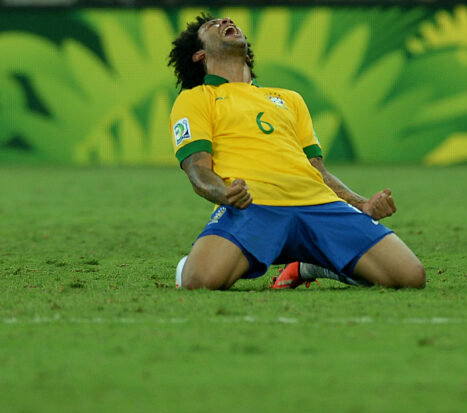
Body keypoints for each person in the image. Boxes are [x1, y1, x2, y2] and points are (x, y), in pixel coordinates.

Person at [168, 13, 425, 290]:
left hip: (317, 204)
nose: (225, 21)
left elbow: (318, 170)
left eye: (225, 20)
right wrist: (224, 194)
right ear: (198, 55)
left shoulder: (290, 99)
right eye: (212, 25)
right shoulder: (195, 99)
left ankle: (310, 266)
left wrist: (362, 204)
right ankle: (195, 260)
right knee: (199, 281)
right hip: (252, 205)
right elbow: (198, 169)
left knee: (410, 277)